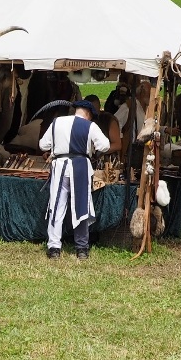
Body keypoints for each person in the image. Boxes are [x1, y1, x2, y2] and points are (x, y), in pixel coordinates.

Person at [40, 99, 111, 260]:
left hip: (60, 166)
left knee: (57, 205)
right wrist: (92, 147)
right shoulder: (90, 125)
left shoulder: (57, 122)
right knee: (81, 206)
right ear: (88, 114)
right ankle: (81, 248)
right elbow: (105, 145)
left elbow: (43, 145)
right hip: (80, 166)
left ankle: (54, 247)